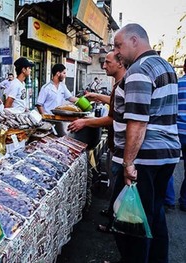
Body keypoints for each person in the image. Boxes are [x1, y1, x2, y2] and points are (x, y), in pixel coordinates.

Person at [106, 23, 180, 263]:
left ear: (135, 40)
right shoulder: (165, 66)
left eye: (119, 45)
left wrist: (128, 164)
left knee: (132, 224)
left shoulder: (139, 70)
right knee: (154, 215)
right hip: (166, 155)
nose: (117, 52)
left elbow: (137, 122)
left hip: (145, 159)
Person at [68, 51, 126, 234]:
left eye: (107, 62)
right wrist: (97, 96)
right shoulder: (118, 84)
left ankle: (116, 225)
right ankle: (113, 216)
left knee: (119, 188)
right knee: (117, 186)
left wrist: (85, 122)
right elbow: (115, 103)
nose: (103, 65)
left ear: (120, 63)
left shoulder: (124, 82)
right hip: (116, 144)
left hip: (121, 147)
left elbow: (113, 118)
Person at [167, 58, 186, 212]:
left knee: (168, 165)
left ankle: (168, 199)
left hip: (175, 130)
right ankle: (184, 200)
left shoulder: (176, 85)